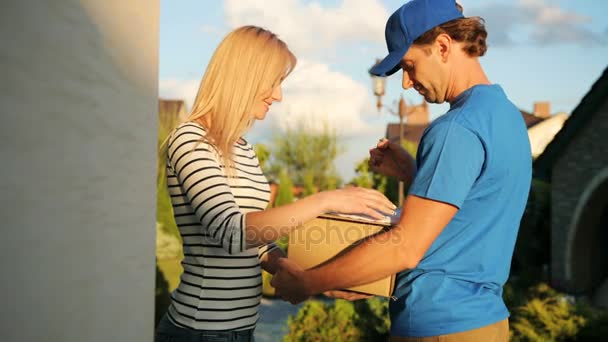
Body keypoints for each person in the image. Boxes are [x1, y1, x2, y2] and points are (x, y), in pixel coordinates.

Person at [271, 0, 532, 341]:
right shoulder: (506, 117)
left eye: (409, 65)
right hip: (485, 323)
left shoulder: (456, 129)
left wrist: (309, 282)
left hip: (436, 325)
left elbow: (405, 246)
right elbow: (471, 218)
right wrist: (415, 174)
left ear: (442, 46)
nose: (407, 84)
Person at [154, 25, 395, 342]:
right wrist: (325, 200)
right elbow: (233, 232)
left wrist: (308, 274)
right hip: (199, 330)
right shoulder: (190, 140)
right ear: (245, 76)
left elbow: (258, 243)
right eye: (274, 82)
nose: (278, 95)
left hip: (240, 330)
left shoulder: (242, 149)